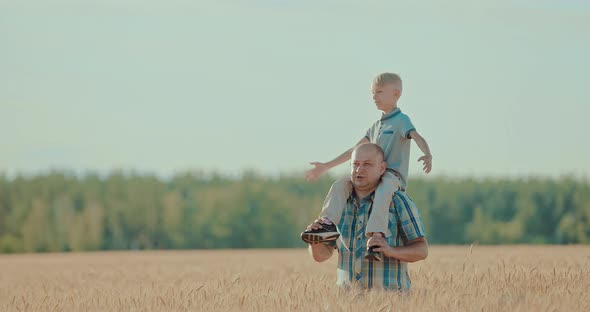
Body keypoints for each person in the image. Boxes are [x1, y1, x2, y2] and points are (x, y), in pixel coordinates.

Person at [301, 72, 432, 261]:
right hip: (375, 177)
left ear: (396, 94)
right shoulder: (376, 126)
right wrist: (326, 166)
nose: (374, 97)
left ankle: (376, 236)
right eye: (372, 93)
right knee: (340, 184)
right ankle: (327, 225)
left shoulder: (401, 120)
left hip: (391, 176)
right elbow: (354, 151)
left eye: (379, 92)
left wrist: (427, 153)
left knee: (383, 190)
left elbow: (417, 136)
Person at [306, 143, 428, 291]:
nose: (359, 169)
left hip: (391, 302)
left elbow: (422, 250)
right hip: (346, 304)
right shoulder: (338, 203)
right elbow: (321, 256)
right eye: (355, 164)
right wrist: (315, 240)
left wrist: (390, 250)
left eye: (367, 164)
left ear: (382, 168)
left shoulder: (398, 201)